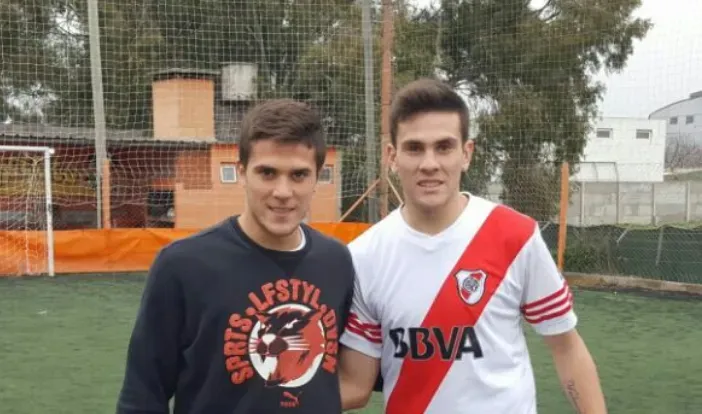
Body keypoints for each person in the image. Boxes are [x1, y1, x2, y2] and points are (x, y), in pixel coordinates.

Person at [337, 78, 607, 414]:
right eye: (414, 148)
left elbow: (566, 347)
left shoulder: (515, 235)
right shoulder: (363, 256)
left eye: (444, 147)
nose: (430, 163)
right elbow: (356, 384)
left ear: (466, 154)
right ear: (392, 156)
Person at [116, 99, 355, 414]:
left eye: (298, 175)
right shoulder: (182, 266)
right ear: (241, 172)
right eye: (267, 173)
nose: (283, 192)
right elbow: (142, 397)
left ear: (317, 177)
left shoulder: (336, 262)